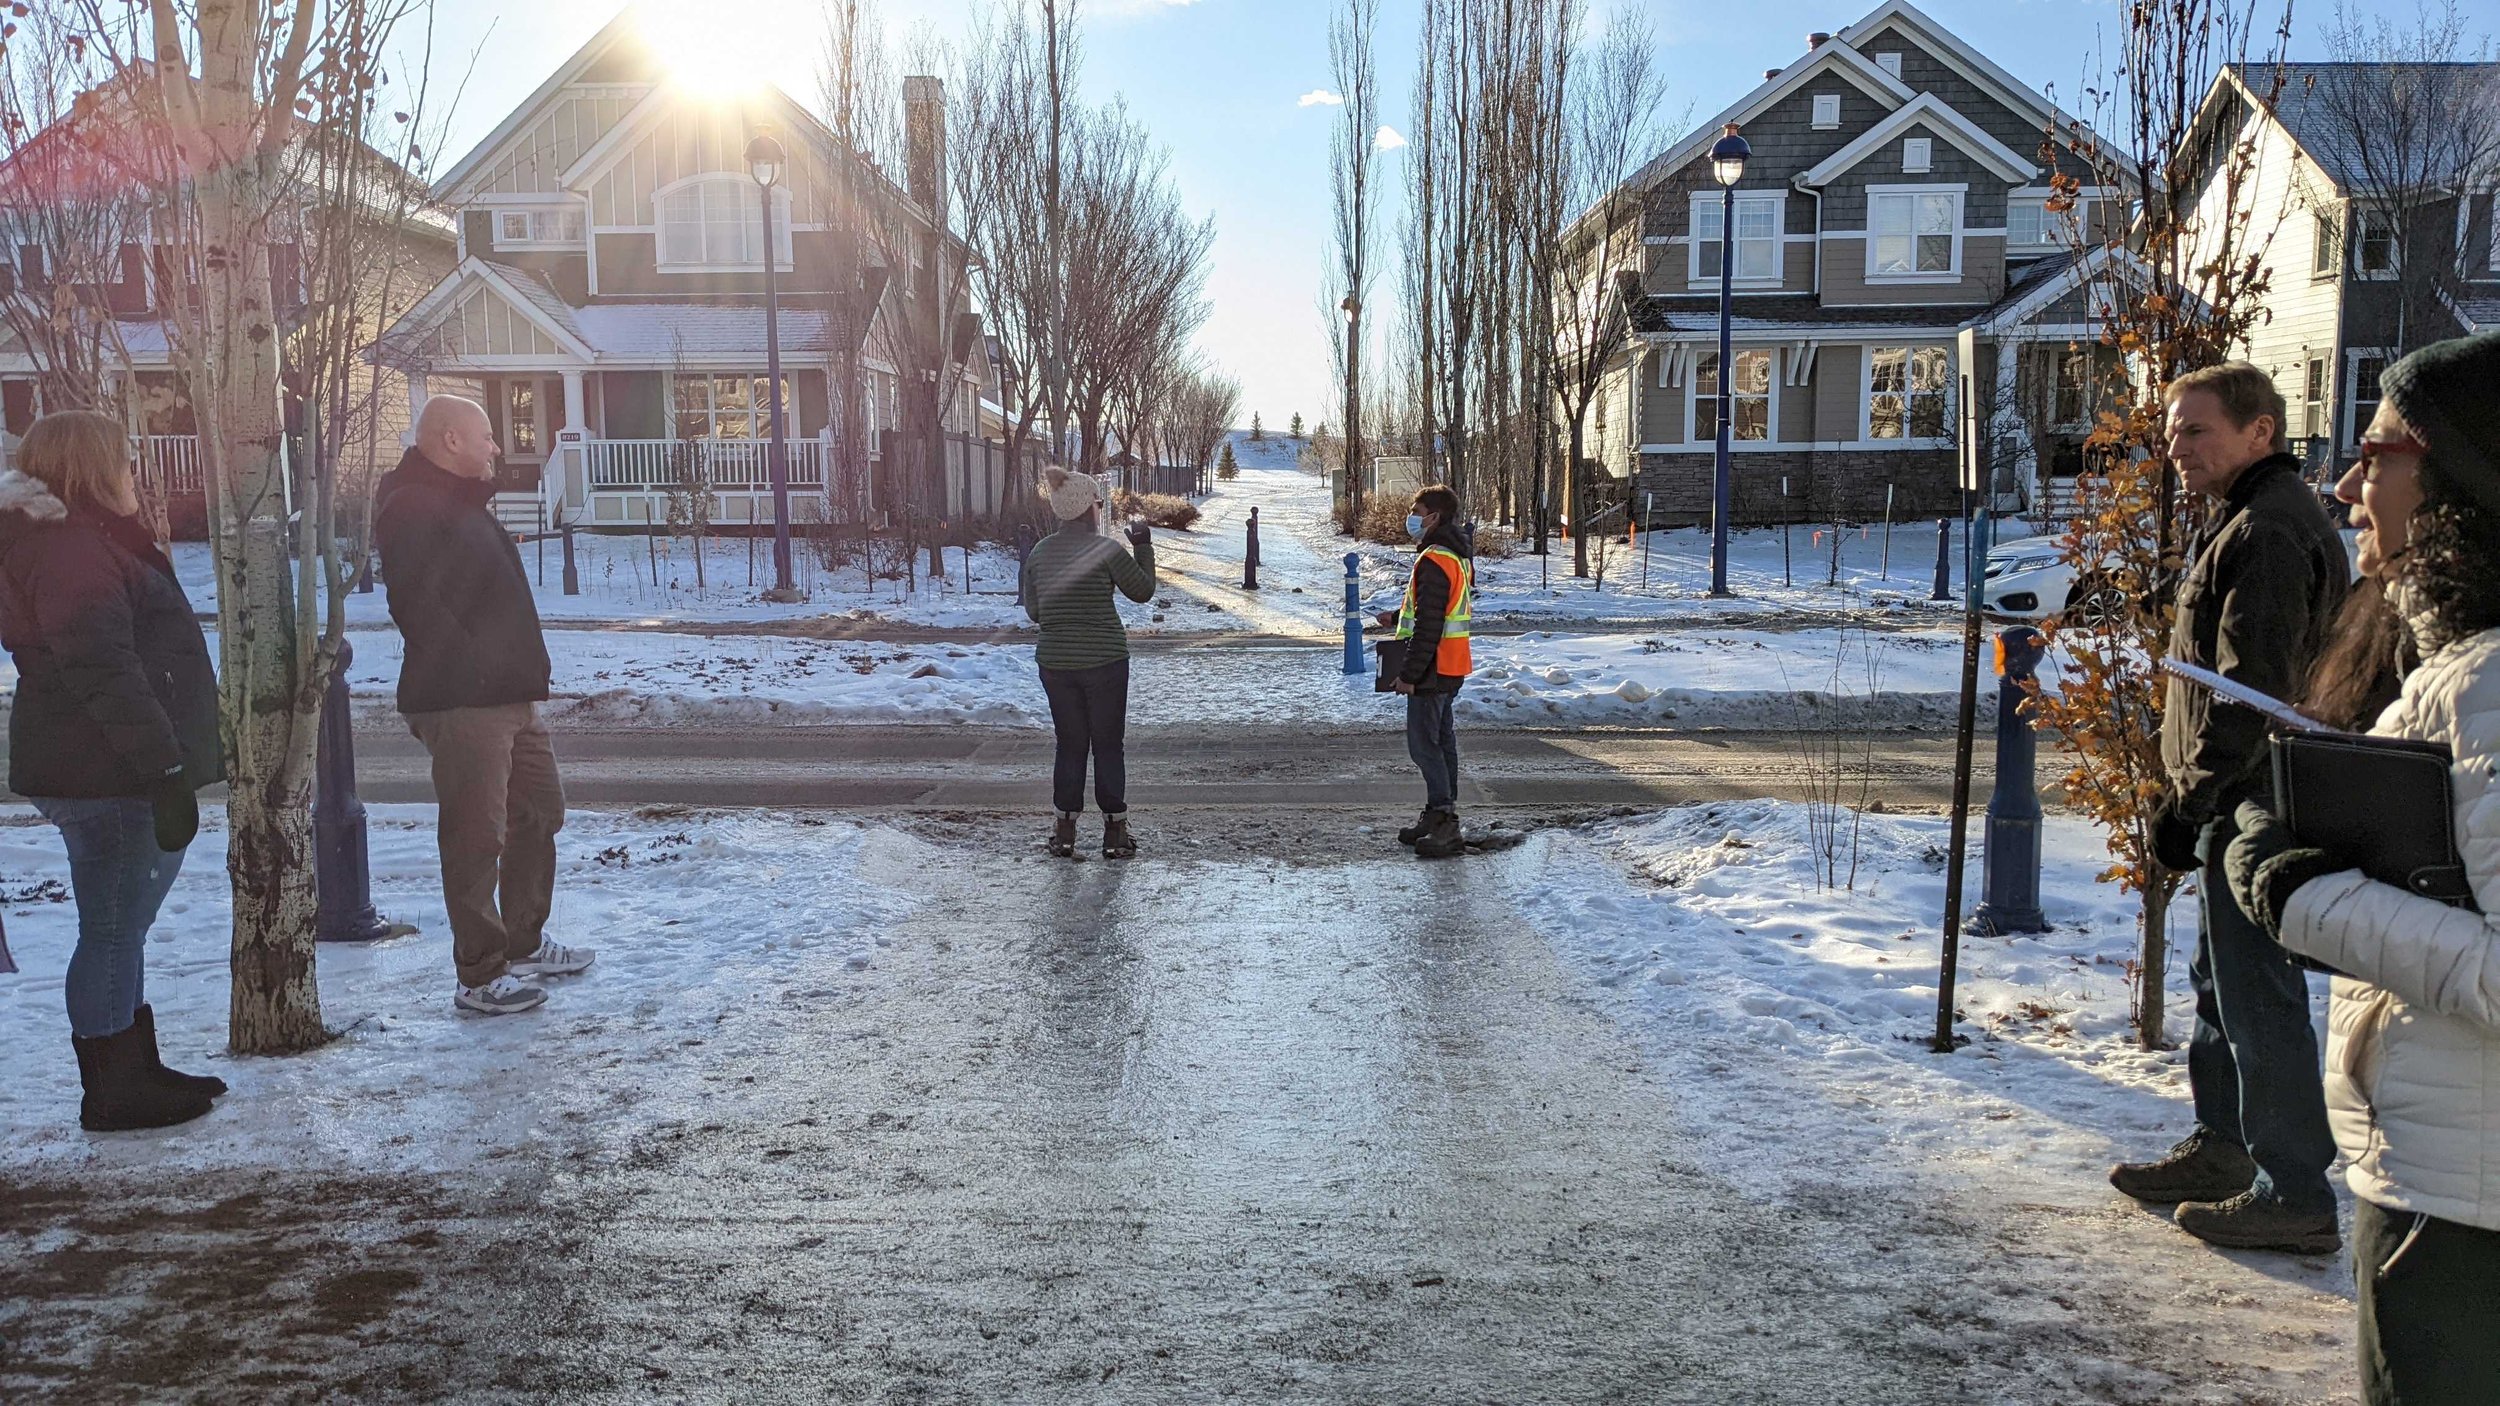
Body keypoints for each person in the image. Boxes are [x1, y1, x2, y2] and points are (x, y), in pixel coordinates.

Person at [2226, 331, 2500, 1404]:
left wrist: (2302, 891)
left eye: (2378, 452)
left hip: (2464, 1216)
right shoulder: (2458, 666)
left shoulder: (2487, 688)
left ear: (2467, 483)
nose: (2345, 483)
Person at [2108, 362, 2350, 1253]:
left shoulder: (2272, 529)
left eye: (2196, 429)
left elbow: (2255, 689)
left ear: (2260, 431)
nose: (2177, 446)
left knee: (2256, 993)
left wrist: (2194, 799)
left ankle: (2295, 1190)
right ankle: (2224, 1148)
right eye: (2172, 430)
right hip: (2232, 796)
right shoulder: (2243, 519)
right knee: (2221, 984)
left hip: (2255, 799)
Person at [0, 410, 225, 1130]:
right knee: (112, 928)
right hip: (105, 769)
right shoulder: (69, 549)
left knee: (121, 924)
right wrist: (163, 767)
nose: (135, 469)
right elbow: (104, 670)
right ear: (92, 467)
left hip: (102, 762)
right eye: (124, 459)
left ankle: (133, 1066)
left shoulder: (81, 539)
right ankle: (112, 1089)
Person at [375, 395, 592, 1015]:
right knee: (475, 837)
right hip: (464, 698)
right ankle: (479, 974)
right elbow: (418, 606)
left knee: (539, 810)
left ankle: (522, 942)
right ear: (450, 440)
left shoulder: (460, 502)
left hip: (508, 695)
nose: (497, 448)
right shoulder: (413, 507)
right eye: (488, 436)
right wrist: (477, 670)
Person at [1021, 465, 1155, 859]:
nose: (1100, 508)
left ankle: (1064, 832)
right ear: (1087, 508)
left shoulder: (1040, 552)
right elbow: (1142, 591)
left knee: (1070, 744)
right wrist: (1143, 546)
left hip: (1056, 664)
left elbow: (1034, 611)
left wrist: (1063, 613)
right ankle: (1115, 834)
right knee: (1108, 745)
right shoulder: (1106, 550)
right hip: (1105, 662)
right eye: (1098, 502)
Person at [1373, 485, 1473, 861]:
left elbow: (1430, 625)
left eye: (1416, 512)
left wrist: (1410, 675)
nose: (1411, 518)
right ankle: (1438, 814)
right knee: (1441, 742)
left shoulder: (1434, 559)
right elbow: (1436, 610)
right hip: (1451, 665)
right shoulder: (1455, 556)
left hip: (1433, 670)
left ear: (1434, 516)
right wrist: (1398, 616)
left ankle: (1444, 821)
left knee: (1424, 746)